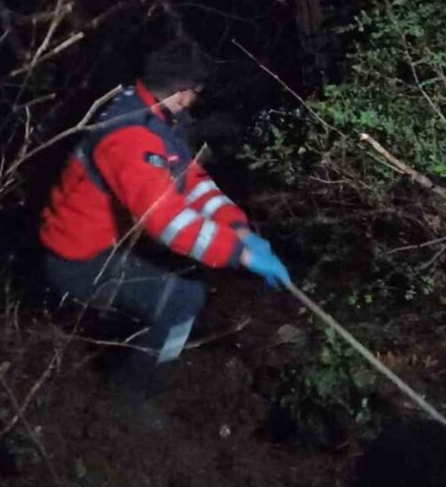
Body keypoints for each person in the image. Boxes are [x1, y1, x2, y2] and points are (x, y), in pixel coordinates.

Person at [39, 39, 290, 426]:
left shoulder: (152, 117)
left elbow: (191, 180)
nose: (195, 100)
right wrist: (238, 253)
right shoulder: (129, 137)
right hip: (75, 259)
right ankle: (132, 397)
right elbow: (167, 222)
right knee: (182, 303)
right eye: (195, 92)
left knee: (180, 286)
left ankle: (126, 353)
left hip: (98, 243)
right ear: (181, 91)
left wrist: (236, 227)